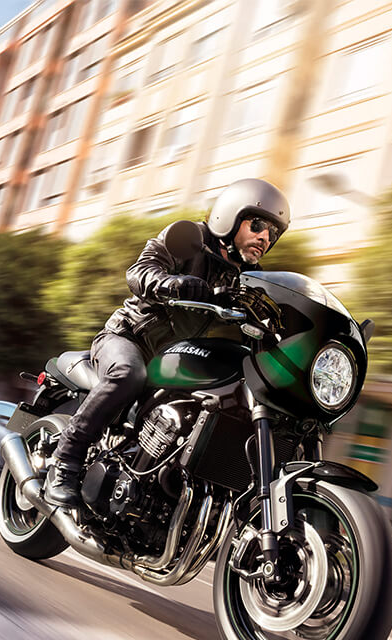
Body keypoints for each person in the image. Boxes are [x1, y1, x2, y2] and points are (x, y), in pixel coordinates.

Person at [45, 178, 291, 507]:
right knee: (128, 374)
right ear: (231, 216)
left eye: (273, 233)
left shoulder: (251, 279)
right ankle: (64, 463)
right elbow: (140, 271)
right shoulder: (189, 239)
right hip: (129, 337)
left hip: (178, 355)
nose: (265, 237)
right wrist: (171, 283)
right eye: (258, 225)